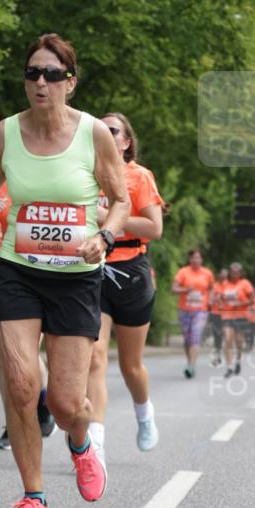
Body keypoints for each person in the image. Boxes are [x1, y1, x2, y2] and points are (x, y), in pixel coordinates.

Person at [0, 33, 130, 508]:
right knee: (23, 385)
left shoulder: (93, 134)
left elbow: (120, 199)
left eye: (52, 74)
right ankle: (33, 499)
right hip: (17, 270)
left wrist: (104, 236)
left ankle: (82, 443)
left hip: (76, 278)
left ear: (70, 82)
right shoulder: (5, 133)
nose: (40, 83)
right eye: (32, 73)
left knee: (65, 404)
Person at [87, 113, 164, 463]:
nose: (104, 134)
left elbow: (154, 228)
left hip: (132, 270)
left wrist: (109, 221)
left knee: (131, 365)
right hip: (94, 268)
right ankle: (96, 444)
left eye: (112, 130)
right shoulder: (86, 175)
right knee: (94, 357)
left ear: (126, 141)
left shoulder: (139, 176)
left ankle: (144, 413)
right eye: (99, 130)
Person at [0, 182, 55, 449]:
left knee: (24, 353)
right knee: (5, 354)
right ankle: (12, 423)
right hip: (1, 275)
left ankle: (43, 402)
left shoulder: (46, 178)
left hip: (40, 274)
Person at [171, 249, 214, 378]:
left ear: (201, 260)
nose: (196, 260)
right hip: (185, 310)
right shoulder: (183, 272)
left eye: (198, 258)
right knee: (187, 340)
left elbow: (212, 288)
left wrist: (211, 299)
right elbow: (173, 289)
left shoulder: (207, 273)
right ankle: (189, 361)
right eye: (194, 258)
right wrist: (185, 289)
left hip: (200, 310)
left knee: (195, 336)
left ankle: (191, 365)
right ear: (190, 260)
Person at [216, 263, 255, 376]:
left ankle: (238, 360)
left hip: (241, 316)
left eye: (237, 272)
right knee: (228, 339)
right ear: (230, 273)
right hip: (227, 315)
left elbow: (252, 300)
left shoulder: (245, 284)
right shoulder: (225, 284)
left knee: (239, 342)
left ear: (240, 273)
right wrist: (220, 304)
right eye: (233, 272)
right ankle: (229, 367)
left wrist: (241, 303)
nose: (235, 274)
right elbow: (220, 298)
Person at [208, 268, 228, 365]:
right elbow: (210, 298)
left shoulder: (229, 285)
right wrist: (212, 300)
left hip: (226, 314)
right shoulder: (214, 286)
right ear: (218, 275)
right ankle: (218, 355)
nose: (223, 277)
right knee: (217, 335)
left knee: (224, 334)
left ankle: (224, 353)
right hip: (215, 313)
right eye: (221, 275)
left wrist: (223, 298)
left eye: (225, 276)